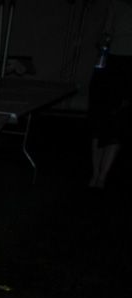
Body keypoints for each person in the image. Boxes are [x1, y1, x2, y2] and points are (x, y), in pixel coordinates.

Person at [89, 0, 132, 188]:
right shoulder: (115, 4)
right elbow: (104, 34)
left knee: (117, 122)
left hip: (126, 66)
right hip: (110, 63)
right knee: (99, 120)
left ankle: (102, 175)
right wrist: (104, 41)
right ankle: (96, 173)